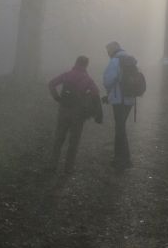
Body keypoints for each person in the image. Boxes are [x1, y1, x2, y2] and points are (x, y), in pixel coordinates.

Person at [47, 55, 102, 175]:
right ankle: (68, 168)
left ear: (76, 62)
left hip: (64, 110)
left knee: (59, 138)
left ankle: (52, 165)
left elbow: (51, 84)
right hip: (78, 112)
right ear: (86, 65)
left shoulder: (66, 74)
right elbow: (96, 93)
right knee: (74, 141)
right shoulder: (87, 79)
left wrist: (57, 98)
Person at [102, 40, 135, 170]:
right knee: (120, 127)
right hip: (130, 99)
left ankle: (123, 159)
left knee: (120, 129)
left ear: (112, 50)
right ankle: (121, 158)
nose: (107, 53)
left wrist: (108, 90)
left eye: (108, 50)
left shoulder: (115, 61)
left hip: (119, 100)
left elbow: (108, 80)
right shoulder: (129, 59)